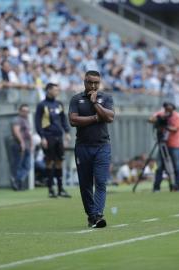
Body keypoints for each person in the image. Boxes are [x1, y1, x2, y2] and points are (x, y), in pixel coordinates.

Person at [68, 70, 115, 228]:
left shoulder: (106, 98)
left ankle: (98, 215)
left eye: (96, 82)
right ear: (84, 82)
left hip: (102, 145)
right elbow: (73, 120)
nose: (93, 85)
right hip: (83, 146)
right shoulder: (76, 99)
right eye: (90, 82)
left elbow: (109, 117)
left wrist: (95, 103)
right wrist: (95, 118)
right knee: (85, 184)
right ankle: (92, 215)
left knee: (101, 182)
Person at [35, 83, 72, 198]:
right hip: (48, 136)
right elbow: (38, 123)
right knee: (49, 162)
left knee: (59, 161)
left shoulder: (59, 104)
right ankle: (51, 189)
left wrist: (67, 132)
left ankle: (60, 189)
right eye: (55, 90)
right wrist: (42, 137)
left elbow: (63, 119)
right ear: (48, 90)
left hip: (58, 136)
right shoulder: (42, 105)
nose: (57, 92)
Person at [148, 102, 179, 191]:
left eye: (170, 110)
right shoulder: (161, 114)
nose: (168, 112)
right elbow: (150, 119)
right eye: (166, 109)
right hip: (162, 144)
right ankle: (156, 187)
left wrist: (165, 125)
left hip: (175, 145)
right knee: (159, 166)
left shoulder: (177, 116)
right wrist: (158, 119)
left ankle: (176, 186)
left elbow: (175, 129)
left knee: (176, 166)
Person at [10, 104, 32, 190]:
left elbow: (29, 133)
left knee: (27, 166)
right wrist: (21, 142)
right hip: (18, 144)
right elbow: (16, 131)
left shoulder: (26, 120)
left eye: (27, 111)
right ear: (19, 111)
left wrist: (31, 144)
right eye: (24, 110)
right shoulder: (17, 119)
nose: (26, 112)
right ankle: (16, 181)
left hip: (27, 145)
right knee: (18, 164)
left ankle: (16, 180)